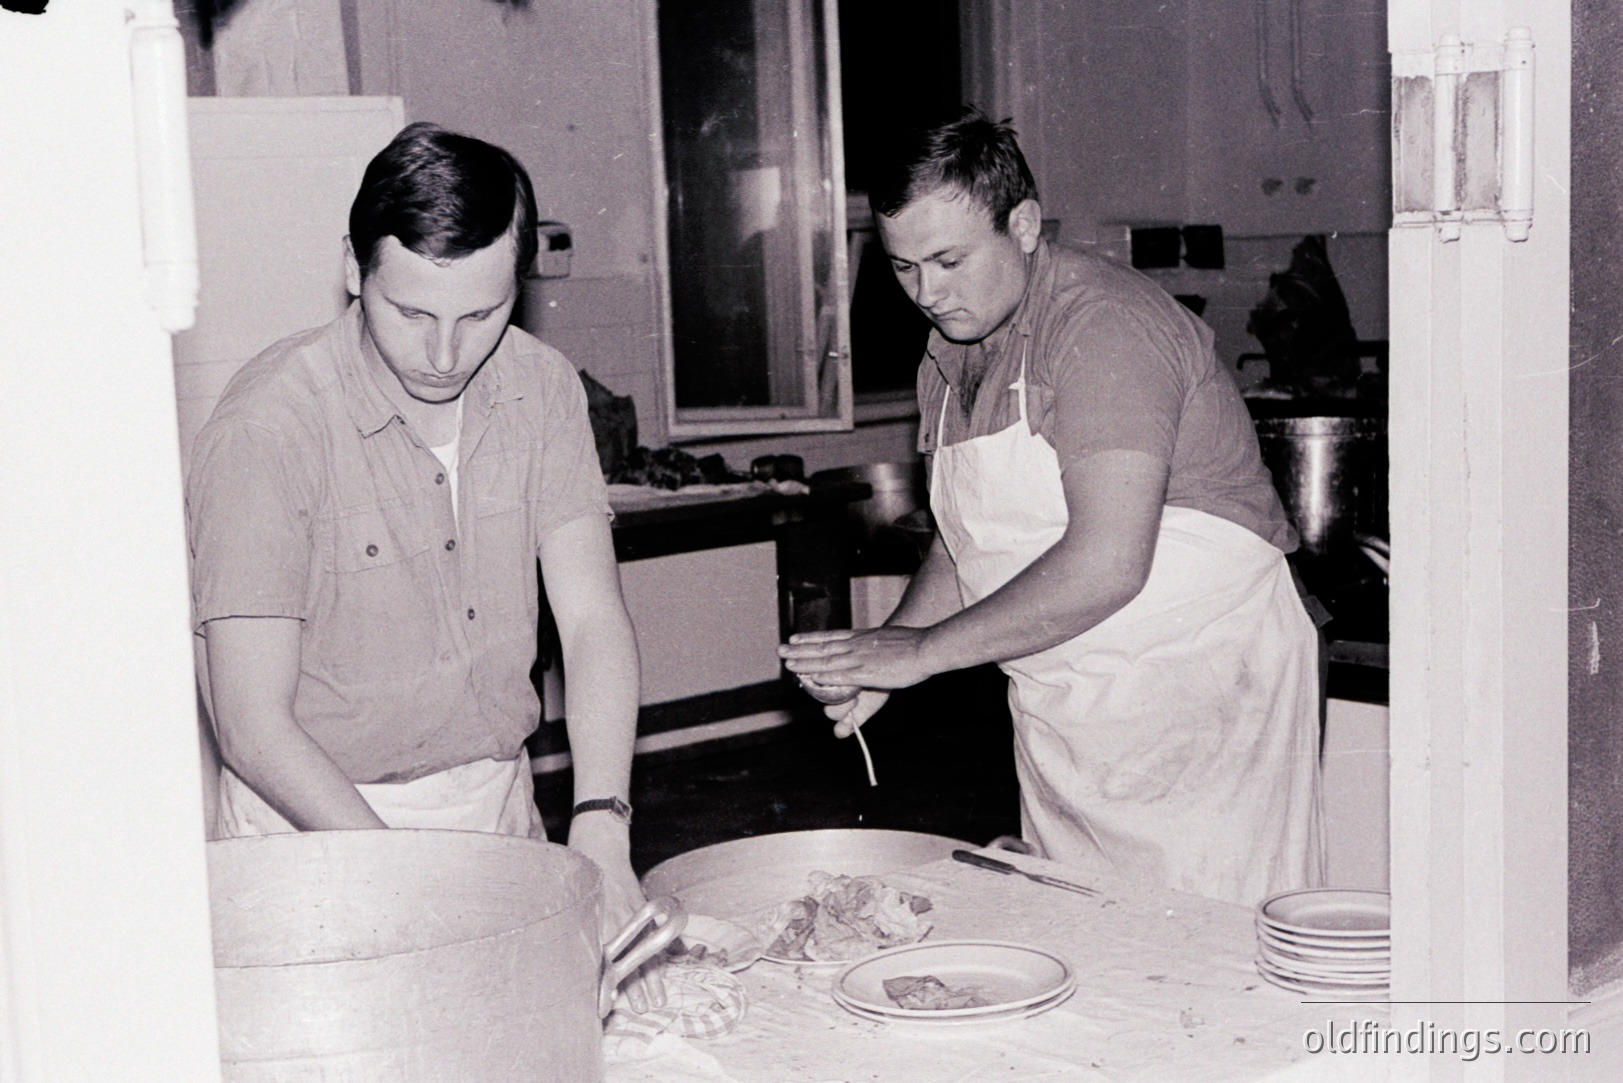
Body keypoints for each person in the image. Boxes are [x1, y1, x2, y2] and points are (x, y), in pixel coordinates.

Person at [780, 108, 1324, 907]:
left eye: (949, 260)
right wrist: (889, 659)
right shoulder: (949, 353)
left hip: (1201, 699)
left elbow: (1107, 562)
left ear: (1025, 225)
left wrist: (925, 652)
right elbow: (969, 543)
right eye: (902, 269)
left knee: (1206, 959)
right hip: (1069, 710)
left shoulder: (1102, 327)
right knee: (1090, 952)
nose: (927, 294)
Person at [187, 123, 656, 997]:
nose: (445, 357)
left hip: (492, 809)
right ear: (353, 270)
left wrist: (599, 821)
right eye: (411, 313)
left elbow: (591, 620)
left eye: (480, 314)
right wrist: (419, 890)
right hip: (320, 833)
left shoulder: (542, 387)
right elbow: (252, 722)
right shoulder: (267, 428)